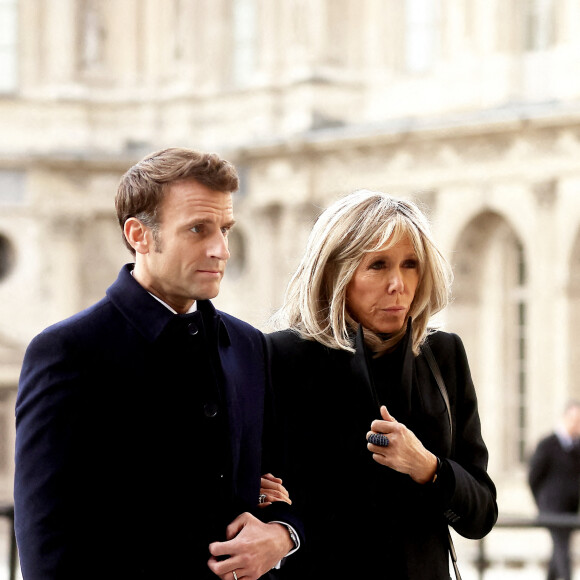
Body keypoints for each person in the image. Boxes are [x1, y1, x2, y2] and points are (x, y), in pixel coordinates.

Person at [14, 147, 300, 580]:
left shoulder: (248, 345)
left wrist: (282, 535)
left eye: (225, 228)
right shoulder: (67, 352)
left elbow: (284, 482)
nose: (221, 249)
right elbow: (45, 540)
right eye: (198, 230)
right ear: (139, 235)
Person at [265, 189, 498, 578]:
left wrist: (427, 466)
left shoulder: (442, 355)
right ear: (336, 272)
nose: (398, 284)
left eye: (410, 264)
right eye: (377, 265)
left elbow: (481, 514)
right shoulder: (280, 357)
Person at [528, 401, 580, 580]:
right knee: (563, 550)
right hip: (552, 510)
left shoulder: (577, 447)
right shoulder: (547, 444)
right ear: (566, 418)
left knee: (558, 550)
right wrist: (542, 504)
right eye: (575, 420)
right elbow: (533, 477)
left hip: (569, 511)